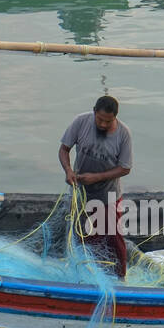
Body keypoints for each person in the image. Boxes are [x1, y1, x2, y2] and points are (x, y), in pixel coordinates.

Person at [58, 95, 132, 278]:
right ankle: (87, 275)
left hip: (108, 196)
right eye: (100, 120)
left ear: (115, 117)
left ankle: (120, 279)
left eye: (109, 121)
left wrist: (97, 177)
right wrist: (68, 171)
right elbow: (64, 149)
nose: (104, 125)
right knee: (83, 236)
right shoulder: (80, 122)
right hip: (81, 194)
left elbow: (125, 168)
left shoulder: (123, 134)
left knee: (113, 238)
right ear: (94, 112)